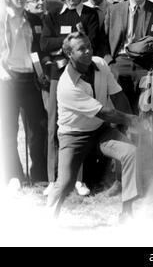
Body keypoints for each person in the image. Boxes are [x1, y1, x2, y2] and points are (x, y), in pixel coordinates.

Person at [46, 32, 142, 222]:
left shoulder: (100, 63)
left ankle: (127, 213)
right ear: (69, 54)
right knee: (65, 183)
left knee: (131, 152)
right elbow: (106, 112)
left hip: (100, 130)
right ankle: (48, 221)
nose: (88, 51)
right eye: (81, 49)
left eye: (89, 45)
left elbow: (117, 95)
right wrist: (132, 119)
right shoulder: (67, 87)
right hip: (73, 136)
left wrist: (132, 125)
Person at [40, 0, 100, 196]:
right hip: (58, 74)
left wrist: (67, 46)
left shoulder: (90, 13)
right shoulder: (53, 14)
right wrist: (72, 42)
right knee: (53, 125)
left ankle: (78, 179)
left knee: (79, 125)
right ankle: (53, 179)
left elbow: (92, 43)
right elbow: (45, 42)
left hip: (82, 75)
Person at [0, 0, 48, 189]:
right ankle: (14, 175)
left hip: (30, 78)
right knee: (9, 129)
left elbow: (36, 51)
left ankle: (38, 174)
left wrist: (40, 73)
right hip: (8, 79)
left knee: (38, 127)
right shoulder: (2, 19)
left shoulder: (33, 19)